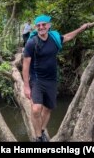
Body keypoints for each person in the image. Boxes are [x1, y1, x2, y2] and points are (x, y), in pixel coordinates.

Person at [22, 14, 89, 142]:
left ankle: (41, 131)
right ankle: (38, 138)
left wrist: (81, 28)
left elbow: (68, 36)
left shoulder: (55, 38)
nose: (41, 27)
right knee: (36, 109)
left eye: (43, 24)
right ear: (36, 27)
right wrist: (26, 86)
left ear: (49, 25)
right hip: (37, 80)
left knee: (48, 108)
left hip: (51, 80)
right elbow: (25, 66)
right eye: (38, 25)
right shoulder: (32, 43)